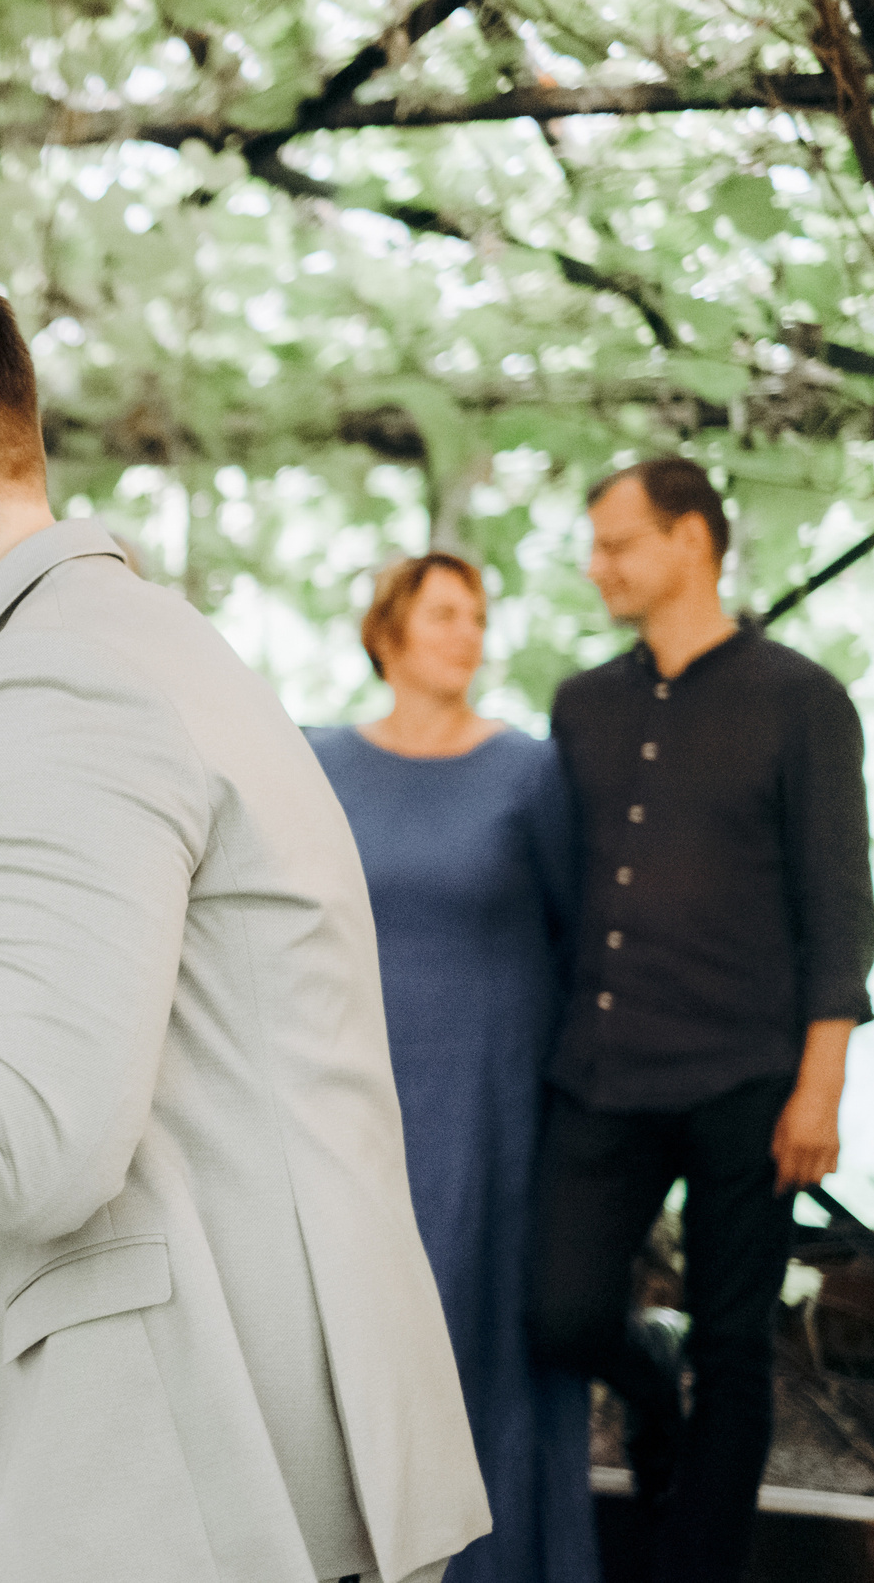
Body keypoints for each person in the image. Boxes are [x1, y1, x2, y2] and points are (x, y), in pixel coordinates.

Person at [0, 259, 487, 1583]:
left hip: (200, 1476)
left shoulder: (53, 696)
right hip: (249, 1439)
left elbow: (32, 1144)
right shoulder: (123, 639)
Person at [527, 457, 874, 1583]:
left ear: (690, 542)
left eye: (616, 543)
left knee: (735, 1353)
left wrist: (819, 1082)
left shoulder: (801, 701)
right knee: (561, 1316)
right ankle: (644, 1381)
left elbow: (837, 906)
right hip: (599, 1073)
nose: (597, 567)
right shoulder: (580, 704)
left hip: (746, 1083)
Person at [306, 555, 596, 1583]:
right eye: (443, 615)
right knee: (357, 1327)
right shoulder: (315, 760)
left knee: (475, 1326)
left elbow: (577, 934)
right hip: (354, 1095)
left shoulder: (529, 770)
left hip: (490, 1104)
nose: (466, 633)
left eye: (477, 615)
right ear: (388, 630)